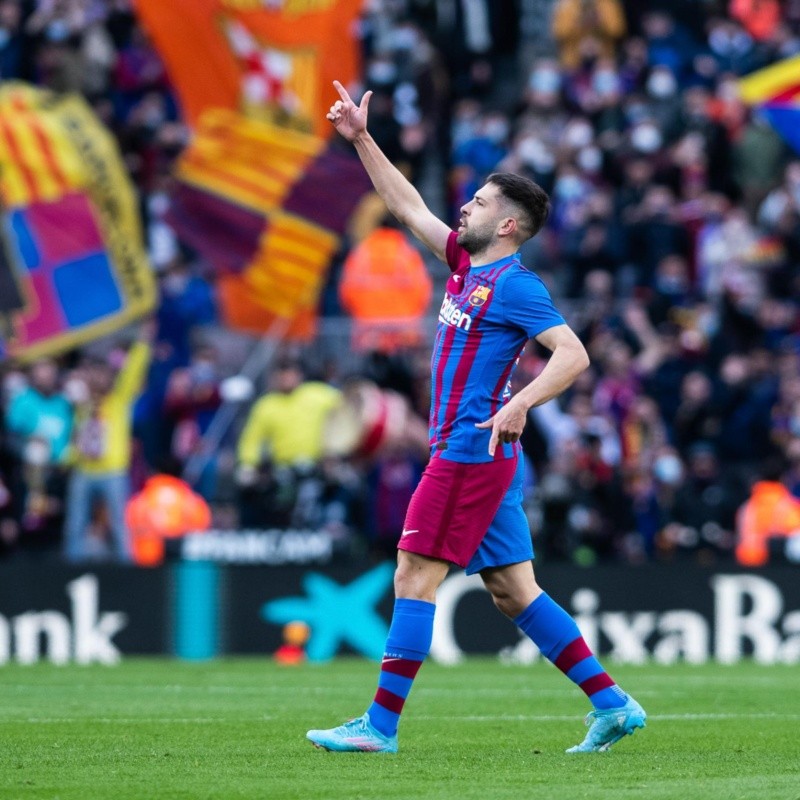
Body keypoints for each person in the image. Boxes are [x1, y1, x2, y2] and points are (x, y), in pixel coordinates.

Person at [306, 81, 646, 755]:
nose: (466, 205)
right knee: (514, 591)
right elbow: (405, 207)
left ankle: (379, 726)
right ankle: (612, 704)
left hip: (470, 448)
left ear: (509, 225)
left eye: (482, 201)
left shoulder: (517, 284)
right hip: (479, 452)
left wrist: (520, 403)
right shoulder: (465, 263)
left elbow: (572, 355)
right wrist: (362, 139)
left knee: (412, 574)